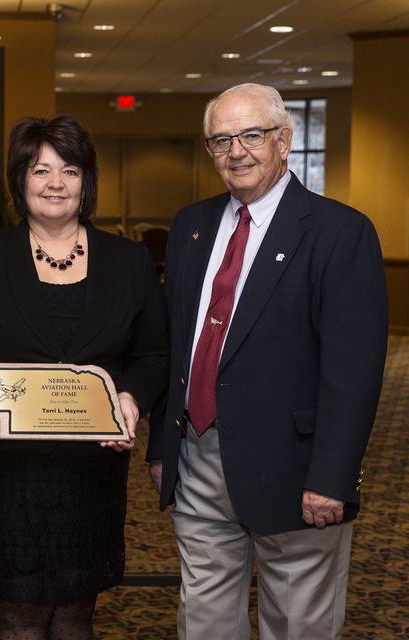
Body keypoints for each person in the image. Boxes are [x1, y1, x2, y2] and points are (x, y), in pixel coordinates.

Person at [146, 83, 389, 640]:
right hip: (199, 457)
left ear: (284, 139)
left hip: (296, 471)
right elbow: (174, 346)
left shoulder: (339, 232)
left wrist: (331, 477)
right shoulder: (191, 226)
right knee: (202, 621)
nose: (237, 152)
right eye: (221, 140)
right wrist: (164, 444)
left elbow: (353, 372)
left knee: (298, 624)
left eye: (251, 135)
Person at [0, 114, 170, 640]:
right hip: (5, 473)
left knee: (76, 615)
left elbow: (153, 353)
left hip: (90, 471)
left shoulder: (129, 262)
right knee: (17, 616)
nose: (56, 183)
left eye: (70, 169)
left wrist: (130, 400)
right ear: (20, 181)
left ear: (87, 182)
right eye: (40, 170)